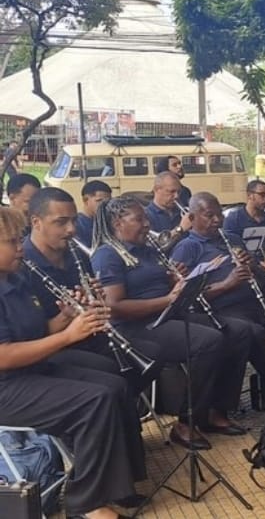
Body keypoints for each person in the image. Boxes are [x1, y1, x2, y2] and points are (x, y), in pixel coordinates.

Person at [0, 207, 141, 519]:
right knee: (94, 401)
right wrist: (68, 337)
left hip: (31, 372)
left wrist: (68, 317)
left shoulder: (16, 278)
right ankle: (86, 503)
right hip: (7, 388)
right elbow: (5, 355)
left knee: (114, 384)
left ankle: (117, 486)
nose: (20, 247)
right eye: (11, 241)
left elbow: (37, 332)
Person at [92, 196, 252, 451]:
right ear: (117, 223)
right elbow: (115, 307)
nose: (147, 224)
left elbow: (163, 286)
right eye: (139, 219)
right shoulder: (107, 255)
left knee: (239, 332)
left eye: (146, 218)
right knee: (208, 342)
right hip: (137, 327)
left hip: (167, 315)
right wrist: (168, 298)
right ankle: (186, 423)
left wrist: (176, 281)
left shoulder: (147, 248)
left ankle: (216, 409)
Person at [172, 192, 265, 409]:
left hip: (253, 301)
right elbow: (185, 297)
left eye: (219, 214)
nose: (217, 220)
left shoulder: (232, 238)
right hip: (220, 309)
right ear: (193, 218)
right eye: (209, 216)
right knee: (253, 331)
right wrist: (227, 284)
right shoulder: (187, 248)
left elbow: (261, 276)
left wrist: (252, 264)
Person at [223, 179, 265, 263]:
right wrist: (258, 264)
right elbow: (233, 250)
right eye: (262, 195)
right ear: (250, 195)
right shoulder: (234, 219)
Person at [144, 171, 192, 247]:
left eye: (178, 192)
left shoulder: (182, 212)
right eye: (172, 191)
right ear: (156, 190)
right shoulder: (146, 216)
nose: (176, 196)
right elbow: (154, 247)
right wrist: (181, 229)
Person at [78, 180, 112, 247]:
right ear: (85, 200)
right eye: (99, 201)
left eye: (108, 201)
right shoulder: (78, 225)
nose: (104, 205)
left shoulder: (109, 221)